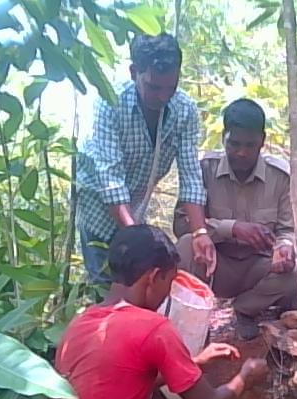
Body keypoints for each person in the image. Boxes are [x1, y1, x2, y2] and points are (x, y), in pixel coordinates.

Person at [41, 224, 266, 399]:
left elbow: (122, 380)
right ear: (154, 276)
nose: (167, 293)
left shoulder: (81, 324)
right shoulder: (153, 327)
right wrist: (246, 377)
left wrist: (195, 362)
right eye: (169, 282)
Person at [76, 32, 215, 284]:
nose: (163, 97)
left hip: (135, 206)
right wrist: (138, 238)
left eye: (171, 87)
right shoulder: (110, 103)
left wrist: (200, 232)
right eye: (154, 87)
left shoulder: (184, 110)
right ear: (134, 73)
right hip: (97, 208)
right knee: (105, 284)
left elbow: (190, 176)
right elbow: (111, 182)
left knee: (140, 284)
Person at [174, 99, 297, 340]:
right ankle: (193, 324)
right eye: (234, 144)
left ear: (262, 141)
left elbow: (287, 230)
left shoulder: (280, 177)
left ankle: (245, 309)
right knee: (185, 247)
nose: (242, 152)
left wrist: (284, 248)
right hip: (215, 264)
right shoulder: (204, 170)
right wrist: (230, 229)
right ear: (224, 138)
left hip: (259, 267)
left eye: (250, 145)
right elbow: (181, 224)